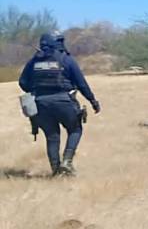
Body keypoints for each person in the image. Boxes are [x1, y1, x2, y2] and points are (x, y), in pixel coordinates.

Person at [18, 33, 101, 176]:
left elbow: (22, 82)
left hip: (40, 104)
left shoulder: (33, 61)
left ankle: (56, 171)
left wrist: (36, 90)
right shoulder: (66, 59)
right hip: (64, 101)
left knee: (52, 136)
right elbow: (81, 84)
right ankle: (67, 161)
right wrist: (93, 101)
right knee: (75, 130)